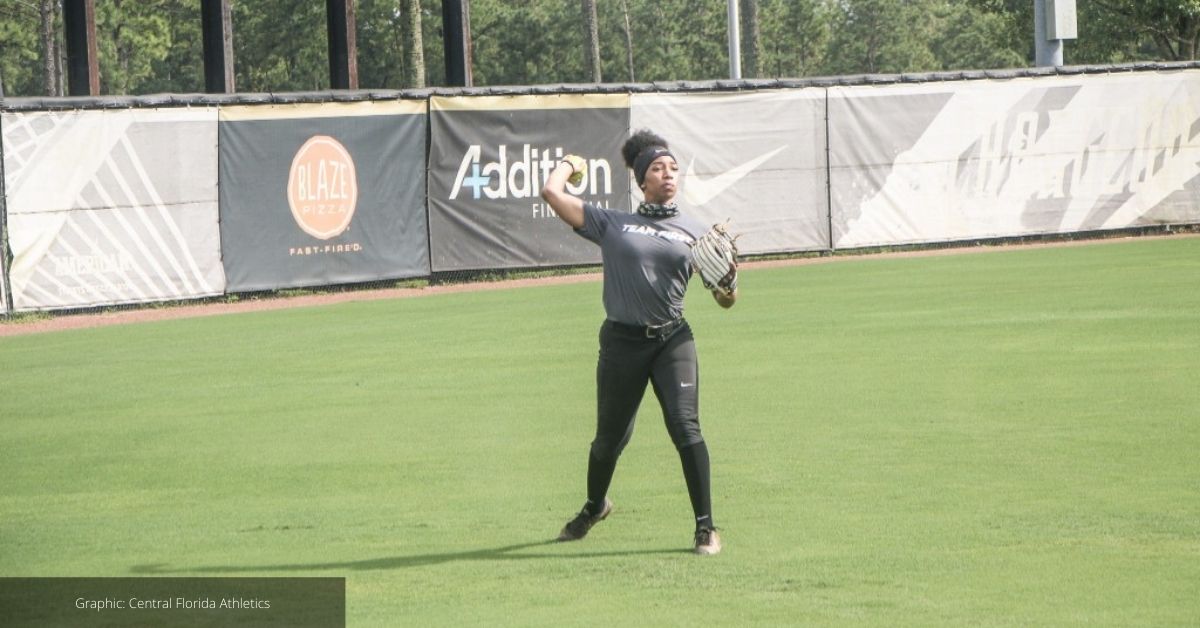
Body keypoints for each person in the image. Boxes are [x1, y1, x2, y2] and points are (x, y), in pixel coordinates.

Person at [540, 129, 736, 555]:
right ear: (641, 179)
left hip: (672, 341)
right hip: (622, 344)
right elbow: (551, 193)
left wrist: (729, 284)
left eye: (673, 168)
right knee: (609, 441)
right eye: (658, 168)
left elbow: (724, 300)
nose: (668, 174)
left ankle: (706, 527)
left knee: (686, 427)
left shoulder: (697, 232)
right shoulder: (613, 223)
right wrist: (569, 165)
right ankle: (595, 506)